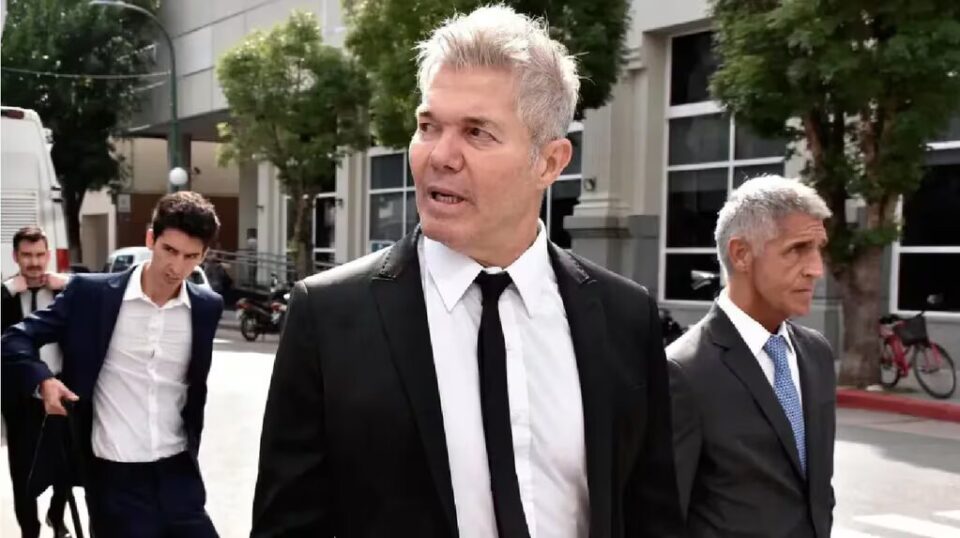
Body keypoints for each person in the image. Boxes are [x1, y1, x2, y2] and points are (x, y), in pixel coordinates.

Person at [251, 6, 681, 537]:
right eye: (428, 126)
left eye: (477, 132)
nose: (440, 156)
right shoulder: (329, 316)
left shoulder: (624, 316)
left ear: (550, 162)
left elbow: (652, 517)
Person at [2, 192, 224, 538]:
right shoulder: (93, 295)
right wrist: (44, 380)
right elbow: (14, 339)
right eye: (169, 250)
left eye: (191, 256)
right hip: (114, 478)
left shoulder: (207, 307)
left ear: (204, 255)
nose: (177, 267)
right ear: (150, 239)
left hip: (179, 474)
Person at [667, 176, 837, 537]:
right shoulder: (684, 371)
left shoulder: (816, 354)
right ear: (741, 254)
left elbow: (817, 490)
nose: (816, 269)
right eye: (798, 249)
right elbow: (662, 517)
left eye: (818, 248)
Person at [1, 226, 72, 538]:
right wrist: (6, 291)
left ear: (48, 255)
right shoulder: (5, 294)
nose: (34, 262)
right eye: (27, 255)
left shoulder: (63, 291)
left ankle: (57, 514)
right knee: (23, 473)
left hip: (62, 390)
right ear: (16, 257)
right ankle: (29, 531)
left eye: (40, 255)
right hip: (21, 398)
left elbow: (100, 297)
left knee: (66, 464)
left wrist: (69, 284)